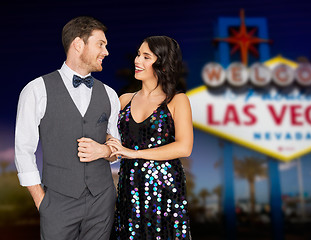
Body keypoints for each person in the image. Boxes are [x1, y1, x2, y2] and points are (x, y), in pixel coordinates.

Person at [14, 16, 120, 240]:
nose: (106, 52)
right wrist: (42, 201)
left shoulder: (110, 95)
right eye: (101, 44)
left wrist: (105, 151)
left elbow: (116, 150)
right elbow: (24, 150)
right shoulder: (36, 90)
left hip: (102, 200)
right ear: (78, 44)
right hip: (57, 203)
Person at [107, 36, 193, 239]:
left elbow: (184, 147)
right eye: (138, 55)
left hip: (165, 188)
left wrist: (132, 153)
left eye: (146, 57)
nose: (137, 61)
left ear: (162, 63)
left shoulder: (177, 100)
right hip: (130, 186)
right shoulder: (124, 101)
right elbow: (108, 139)